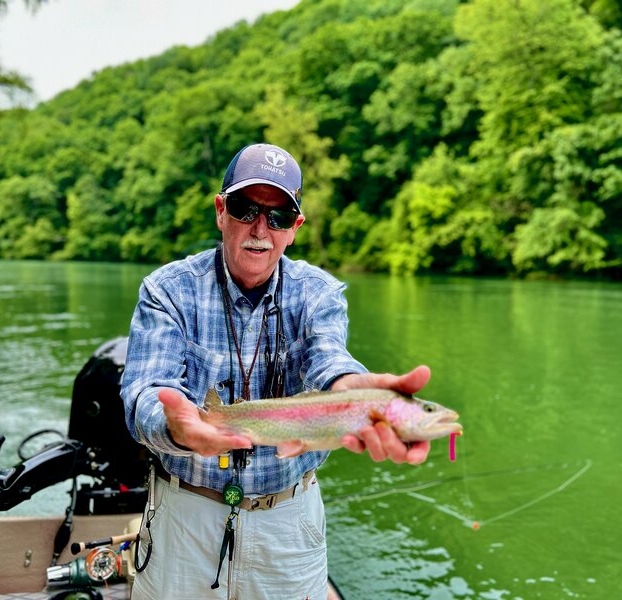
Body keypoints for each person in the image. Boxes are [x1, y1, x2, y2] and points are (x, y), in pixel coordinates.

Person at [121, 143, 432, 600]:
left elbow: (326, 358)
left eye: (278, 216)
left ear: (295, 228)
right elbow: (145, 391)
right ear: (221, 211)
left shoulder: (319, 294)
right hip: (183, 515)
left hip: (288, 522)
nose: (260, 229)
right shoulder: (167, 290)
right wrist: (179, 426)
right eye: (247, 209)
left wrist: (350, 392)